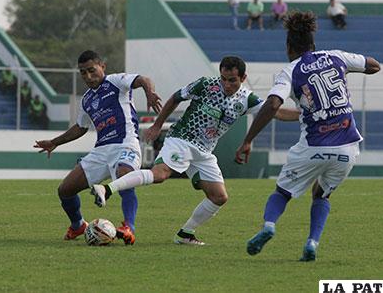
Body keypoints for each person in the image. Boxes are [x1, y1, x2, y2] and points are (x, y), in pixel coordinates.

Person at [91, 56, 299, 245]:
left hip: (204, 150)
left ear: (243, 78)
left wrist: (304, 114)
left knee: (219, 197)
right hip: (181, 139)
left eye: (232, 80)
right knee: (160, 174)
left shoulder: (247, 99)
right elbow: (175, 98)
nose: (226, 84)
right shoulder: (205, 85)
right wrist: (157, 125)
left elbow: (276, 111)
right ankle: (107, 189)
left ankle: (185, 234)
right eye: (224, 79)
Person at [235, 11, 381, 261]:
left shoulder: (290, 70)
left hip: (313, 146)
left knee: (282, 192)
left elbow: (271, 105)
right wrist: (344, 72)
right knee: (321, 194)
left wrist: (248, 140)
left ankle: (269, 225)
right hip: (347, 147)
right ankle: (312, 243)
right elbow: (374, 65)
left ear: (288, 47)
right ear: (313, 43)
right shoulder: (336, 56)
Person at [33, 50, 162, 245]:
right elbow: (80, 127)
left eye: (92, 70)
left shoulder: (116, 81)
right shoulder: (86, 100)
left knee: (125, 173)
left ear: (103, 66)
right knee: (65, 190)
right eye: (83, 73)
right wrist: (54, 142)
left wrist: (149, 93)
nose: (88, 76)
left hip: (125, 143)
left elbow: (143, 79)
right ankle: (78, 226)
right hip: (101, 151)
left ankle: (129, 227)